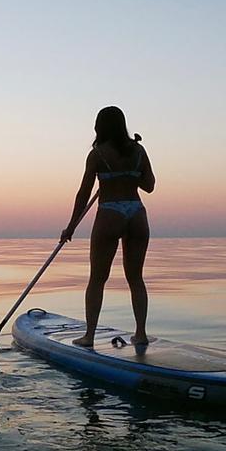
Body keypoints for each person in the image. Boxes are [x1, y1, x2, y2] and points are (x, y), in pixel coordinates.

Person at [59, 106, 156, 348]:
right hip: (136, 212)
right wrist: (130, 174)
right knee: (136, 278)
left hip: (110, 212)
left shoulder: (97, 155)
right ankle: (141, 334)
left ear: (100, 127)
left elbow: (83, 194)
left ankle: (89, 336)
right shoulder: (138, 150)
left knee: (97, 279)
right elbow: (149, 185)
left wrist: (71, 226)